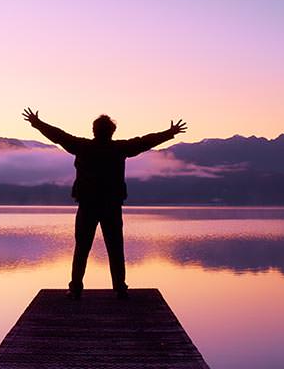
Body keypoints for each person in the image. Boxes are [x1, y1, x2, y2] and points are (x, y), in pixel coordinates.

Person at [22, 108, 187, 300]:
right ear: (112, 132)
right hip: (111, 205)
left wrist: (37, 123)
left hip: (88, 204)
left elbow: (58, 136)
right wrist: (170, 133)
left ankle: (76, 289)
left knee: (82, 248)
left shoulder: (82, 146)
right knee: (115, 247)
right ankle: (119, 288)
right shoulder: (119, 148)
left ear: (94, 130)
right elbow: (145, 142)